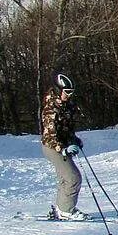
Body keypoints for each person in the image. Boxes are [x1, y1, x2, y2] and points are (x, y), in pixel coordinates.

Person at [41, 72, 86, 221]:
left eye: (71, 92)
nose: (69, 95)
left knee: (65, 178)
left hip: (63, 145)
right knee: (73, 178)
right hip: (52, 147)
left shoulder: (67, 105)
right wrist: (63, 149)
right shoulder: (51, 108)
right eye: (66, 92)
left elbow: (67, 129)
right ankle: (66, 211)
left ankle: (61, 208)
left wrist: (74, 140)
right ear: (58, 89)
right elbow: (49, 136)